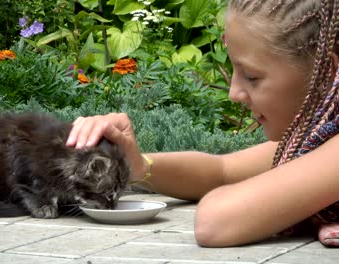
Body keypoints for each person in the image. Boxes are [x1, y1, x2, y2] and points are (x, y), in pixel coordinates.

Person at [65, 0, 339, 247]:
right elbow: (221, 170)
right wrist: (136, 165)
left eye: (252, 77)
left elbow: (215, 222)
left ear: (327, 72)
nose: (233, 93)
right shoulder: (317, 140)